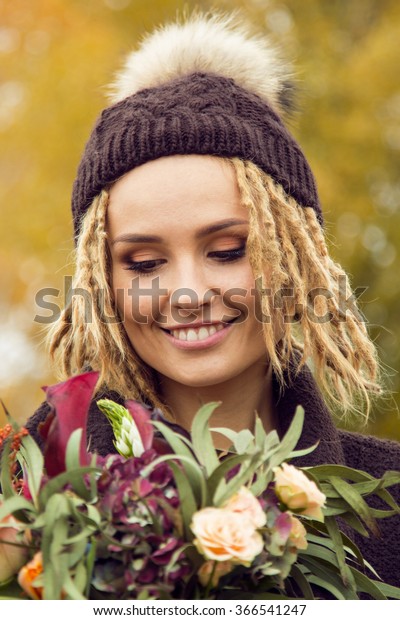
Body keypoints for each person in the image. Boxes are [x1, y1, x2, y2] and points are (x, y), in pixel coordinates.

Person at [26, 13, 400, 588]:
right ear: (101, 282)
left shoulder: (391, 496)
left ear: (296, 258)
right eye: (145, 263)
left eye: (228, 250)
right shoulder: (21, 497)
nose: (188, 294)